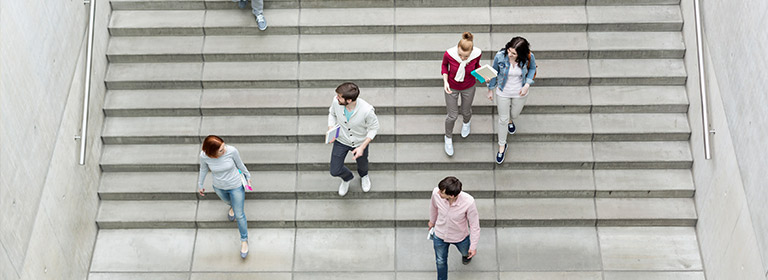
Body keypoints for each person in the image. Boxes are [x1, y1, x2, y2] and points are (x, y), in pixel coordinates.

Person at [197, 135, 251, 258]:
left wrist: (248, 177)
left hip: (236, 186)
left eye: (224, 146)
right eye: (221, 150)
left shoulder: (231, 151)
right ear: (212, 153)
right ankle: (232, 206)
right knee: (228, 202)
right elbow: (203, 169)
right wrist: (200, 184)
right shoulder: (204, 156)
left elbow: (240, 165)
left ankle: (244, 240)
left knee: (239, 214)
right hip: (219, 186)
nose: (225, 150)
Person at [486, 36, 537, 164]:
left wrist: (527, 85)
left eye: (513, 53)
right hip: (503, 91)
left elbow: (532, 69)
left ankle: (510, 119)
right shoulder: (500, 56)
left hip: (520, 92)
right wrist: (490, 89)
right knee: (502, 120)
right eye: (509, 51)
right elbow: (494, 72)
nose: (510, 54)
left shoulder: (529, 57)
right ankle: (502, 146)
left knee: (514, 114)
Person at [328, 82, 380, 196]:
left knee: (362, 164)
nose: (337, 98)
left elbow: (374, 128)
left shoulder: (367, 110)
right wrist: (331, 128)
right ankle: (347, 178)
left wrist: (362, 146)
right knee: (334, 170)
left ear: (349, 100)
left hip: (360, 142)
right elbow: (332, 114)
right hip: (341, 140)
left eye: (340, 97)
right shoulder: (336, 102)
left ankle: (364, 176)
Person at [428, 176, 481, 280]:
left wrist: (473, 246)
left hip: (460, 237)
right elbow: (433, 207)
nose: (438, 193)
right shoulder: (436, 193)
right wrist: (432, 221)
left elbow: (474, 225)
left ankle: (465, 256)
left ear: (451, 196)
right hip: (440, 235)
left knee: (466, 253)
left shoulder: (469, 202)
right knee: (440, 261)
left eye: (442, 192)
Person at [441, 32, 482, 156]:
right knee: (452, 116)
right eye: (460, 55)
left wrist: (484, 76)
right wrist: (445, 82)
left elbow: (476, 66)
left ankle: (466, 123)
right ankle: (448, 137)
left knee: (466, 110)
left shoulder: (476, 54)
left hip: (468, 86)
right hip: (452, 86)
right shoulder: (449, 54)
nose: (463, 58)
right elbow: (444, 66)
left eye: (466, 56)